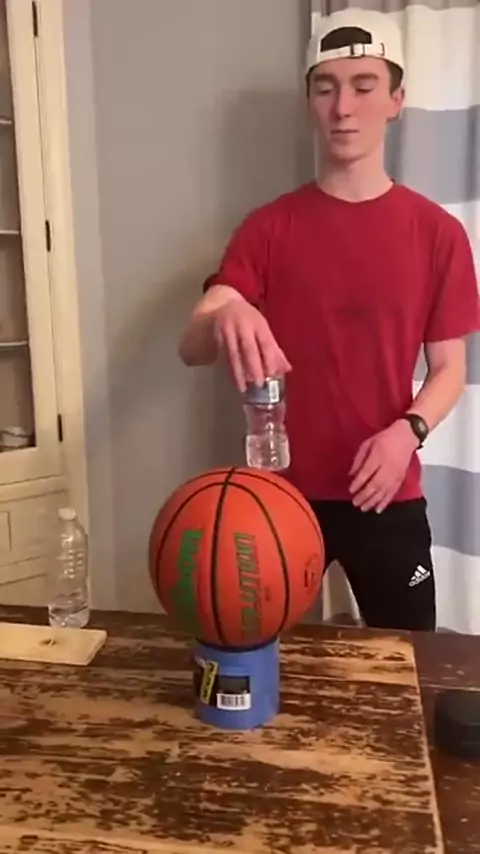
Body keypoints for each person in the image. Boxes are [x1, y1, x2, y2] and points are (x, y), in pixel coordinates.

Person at [177, 9, 480, 632]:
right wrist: (227, 307)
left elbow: (450, 369)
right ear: (309, 102)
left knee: (409, 666)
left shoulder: (438, 233)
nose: (343, 107)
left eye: (364, 86)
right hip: (278, 497)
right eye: (326, 88)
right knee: (271, 659)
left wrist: (407, 433)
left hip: (388, 490)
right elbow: (193, 346)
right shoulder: (269, 227)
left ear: (396, 101)